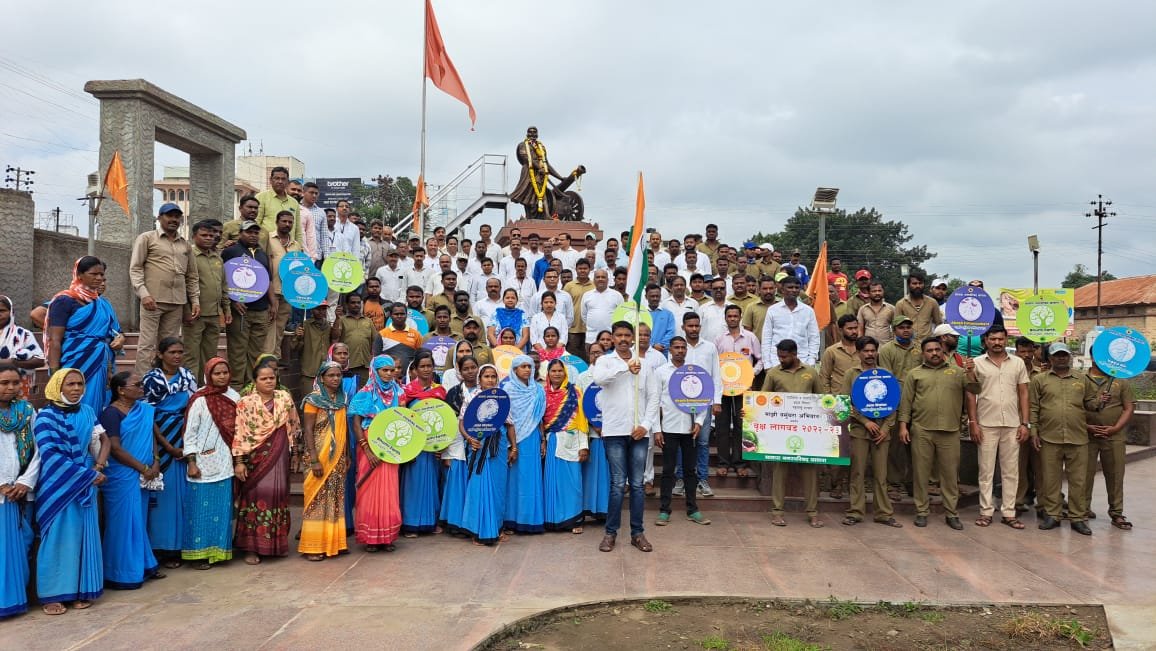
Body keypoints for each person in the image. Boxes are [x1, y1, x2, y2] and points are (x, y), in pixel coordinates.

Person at [34, 369, 110, 615]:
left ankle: (80, 590)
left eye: (80, 384)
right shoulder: (45, 417)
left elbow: (102, 440)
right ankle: (52, 595)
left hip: (87, 482)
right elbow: (50, 455)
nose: (76, 389)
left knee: (82, 537)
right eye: (70, 384)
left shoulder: (87, 411)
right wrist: (88, 474)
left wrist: (97, 466)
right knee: (56, 538)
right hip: (58, 484)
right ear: (58, 387)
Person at [898, 337, 980, 530]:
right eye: (929, 350)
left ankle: (951, 513)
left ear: (943, 351)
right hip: (921, 430)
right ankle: (921, 511)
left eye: (937, 349)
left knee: (950, 475)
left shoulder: (958, 372)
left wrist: (971, 373)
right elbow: (906, 403)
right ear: (923, 353)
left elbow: (975, 390)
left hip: (950, 431)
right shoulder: (914, 374)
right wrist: (903, 426)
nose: (934, 353)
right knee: (921, 473)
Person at [593, 321, 660, 553]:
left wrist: (646, 425)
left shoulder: (647, 364)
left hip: (638, 432)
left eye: (626, 335)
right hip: (613, 432)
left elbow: (654, 397)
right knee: (618, 484)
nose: (622, 339)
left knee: (638, 485)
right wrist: (626, 368)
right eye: (618, 335)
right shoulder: (604, 361)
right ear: (612, 338)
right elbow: (600, 380)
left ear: (633, 338)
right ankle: (610, 534)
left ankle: (637, 533)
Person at [232, 364, 301, 564]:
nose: (269, 381)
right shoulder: (245, 403)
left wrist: (295, 453)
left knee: (277, 495)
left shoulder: (284, 398)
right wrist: (239, 462)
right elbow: (241, 433)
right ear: (255, 381)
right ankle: (251, 548)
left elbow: (294, 425)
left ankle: (275, 545)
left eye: (272, 377)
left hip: (279, 455)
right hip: (255, 459)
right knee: (255, 498)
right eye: (264, 378)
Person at [101, 371, 163, 588]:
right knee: (124, 523)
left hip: (144, 475)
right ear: (120, 390)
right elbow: (115, 449)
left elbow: (152, 438)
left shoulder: (144, 410)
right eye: (136, 385)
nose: (141, 387)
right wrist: (143, 468)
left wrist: (155, 461)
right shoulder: (111, 414)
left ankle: (143, 565)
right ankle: (120, 573)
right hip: (122, 476)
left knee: (139, 520)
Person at [140, 337, 197, 568]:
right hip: (159, 438)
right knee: (163, 499)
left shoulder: (188, 377)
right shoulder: (151, 380)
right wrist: (167, 445)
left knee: (181, 496)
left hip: (183, 436)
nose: (177, 356)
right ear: (161, 354)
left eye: (180, 352)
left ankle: (180, 547)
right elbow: (147, 414)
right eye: (172, 352)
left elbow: (193, 408)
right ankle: (161, 548)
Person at [966, 325, 1030, 530]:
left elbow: (1023, 394)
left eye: (1000, 339)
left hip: (1012, 424)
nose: (997, 343)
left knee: (1011, 471)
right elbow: (970, 394)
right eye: (992, 339)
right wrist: (972, 423)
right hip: (985, 424)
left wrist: (1025, 423)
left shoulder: (1018, 363)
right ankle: (986, 511)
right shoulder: (975, 364)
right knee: (986, 471)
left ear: (1006, 340)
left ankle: (1009, 513)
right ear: (986, 341)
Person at [130, 202, 200, 375]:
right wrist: (143, 294)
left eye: (177, 216)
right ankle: (143, 384)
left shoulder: (185, 245)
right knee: (147, 344)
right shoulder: (147, 238)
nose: (173, 219)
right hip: (152, 301)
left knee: (170, 345)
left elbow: (191, 276)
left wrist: (195, 300)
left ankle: (166, 382)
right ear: (159, 218)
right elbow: (136, 268)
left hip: (177, 302)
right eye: (169, 216)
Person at [46, 257, 124, 415]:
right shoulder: (64, 300)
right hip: (74, 360)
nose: (99, 278)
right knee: (70, 403)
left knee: (97, 405)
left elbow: (115, 331)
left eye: (102, 275)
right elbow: (54, 340)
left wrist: (120, 339)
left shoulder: (103, 304)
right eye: (94, 274)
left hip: (101, 361)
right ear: (79, 275)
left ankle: (94, 436)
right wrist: (55, 373)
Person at [1029, 343, 1092, 535]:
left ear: (1070, 357)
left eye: (1064, 355)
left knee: (1078, 481)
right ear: (1050, 359)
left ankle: (1078, 518)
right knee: (1050, 479)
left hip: (1078, 437)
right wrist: (1034, 432)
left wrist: (1100, 402)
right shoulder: (1040, 380)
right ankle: (1052, 515)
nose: (1061, 358)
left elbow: (1090, 404)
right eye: (1057, 355)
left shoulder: (1082, 380)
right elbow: (1033, 408)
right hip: (1050, 437)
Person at [181, 357, 237, 569]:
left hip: (225, 464)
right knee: (200, 511)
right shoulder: (199, 399)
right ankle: (198, 555)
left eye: (225, 372)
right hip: (203, 464)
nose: (222, 376)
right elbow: (190, 433)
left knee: (222, 511)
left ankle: (219, 553)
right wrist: (192, 462)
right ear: (208, 375)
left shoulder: (234, 396)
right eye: (217, 373)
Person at [840, 337, 902, 527]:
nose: (869, 354)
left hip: (882, 433)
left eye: (872, 350)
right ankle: (856, 511)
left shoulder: (885, 374)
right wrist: (865, 422)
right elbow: (845, 403)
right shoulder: (852, 374)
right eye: (865, 351)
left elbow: (894, 404)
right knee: (857, 473)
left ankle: (883, 513)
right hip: (859, 431)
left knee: (881, 475)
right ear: (859, 353)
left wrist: (885, 428)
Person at [762, 340, 824, 528]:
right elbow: (762, 400)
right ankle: (777, 512)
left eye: (785, 356)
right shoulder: (773, 373)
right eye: (779, 356)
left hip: (807, 431)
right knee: (779, 471)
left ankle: (813, 513)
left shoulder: (811, 372)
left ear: (795, 354)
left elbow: (822, 400)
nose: (781, 359)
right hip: (782, 432)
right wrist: (749, 411)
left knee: (810, 472)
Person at [654, 337, 711, 526]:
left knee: (689, 470)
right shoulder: (661, 372)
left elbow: (703, 399)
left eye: (682, 348)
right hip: (668, 428)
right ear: (670, 350)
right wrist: (656, 429)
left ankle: (692, 509)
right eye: (676, 347)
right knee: (668, 470)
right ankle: (664, 510)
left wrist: (700, 422)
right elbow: (654, 402)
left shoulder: (694, 371)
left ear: (686, 350)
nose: (680, 351)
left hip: (690, 428)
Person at [350, 355, 404, 552]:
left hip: (390, 446)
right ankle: (370, 537)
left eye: (392, 370)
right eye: (385, 370)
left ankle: (387, 536)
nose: (389, 374)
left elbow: (403, 420)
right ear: (375, 371)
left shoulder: (399, 393)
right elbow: (356, 423)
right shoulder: (364, 394)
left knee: (389, 490)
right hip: (369, 446)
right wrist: (366, 449)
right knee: (369, 489)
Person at [460, 364, 517, 545]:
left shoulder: (502, 399)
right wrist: (470, 439)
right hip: (478, 446)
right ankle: (478, 530)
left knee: (498, 488)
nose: (490, 380)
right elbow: (462, 423)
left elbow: (510, 424)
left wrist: (513, 447)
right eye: (486, 376)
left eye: (493, 376)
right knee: (479, 486)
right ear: (480, 379)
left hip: (498, 447)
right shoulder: (472, 398)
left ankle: (496, 527)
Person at [299, 361, 350, 561]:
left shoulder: (343, 398)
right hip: (318, 456)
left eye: (338, 375)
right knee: (316, 500)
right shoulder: (313, 399)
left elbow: (343, 429)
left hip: (337, 457)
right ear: (321, 378)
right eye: (331, 375)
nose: (336, 379)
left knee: (335, 499)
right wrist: (313, 458)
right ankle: (313, 547)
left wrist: (347, 455)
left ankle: (335, 543)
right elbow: (308, 430)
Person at [0, 363, 38, 618]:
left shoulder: (27, 411)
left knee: (23, 543)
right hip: (1, 493)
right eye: (4, 383)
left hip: (23, 490)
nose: (11, 388)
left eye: (15, 382)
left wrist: (25, 481)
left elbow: (39, 450)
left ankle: (16, 598)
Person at [1084, 358, 1135, 531]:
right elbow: (1074, 406)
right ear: (1092, 357)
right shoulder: (1080, 379)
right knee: (1084, 474)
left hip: (1114, 437)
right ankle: (1082, 509)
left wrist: (1115, 428)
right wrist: (1087, 426)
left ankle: (1116, 512)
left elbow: (1129, 408)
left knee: (1115, 475)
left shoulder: (1120, 380)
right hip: (1086, 436)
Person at [673, 312, 721, 497]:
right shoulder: (678, 347)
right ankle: (681, 478)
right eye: (690, 326)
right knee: (681, 441)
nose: (693, 329)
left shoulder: (709, 347)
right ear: (683, 327)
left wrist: (716, 401)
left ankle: (702, 479)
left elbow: (716, 375)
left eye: (696, 326)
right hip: (680, 402)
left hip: (704, 403)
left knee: (702, 442)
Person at [400, 351, 447, 536]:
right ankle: (410, 524)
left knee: (432, 482)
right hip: (413, 446)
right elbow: (402, 418)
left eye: (429, 366)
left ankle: (431, 522)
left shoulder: (439, 391)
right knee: (413, 484)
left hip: (433, 445)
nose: (426, 369)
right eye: (423, 366)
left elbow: (446, 419)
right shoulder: (406, 392)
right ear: (415, 369)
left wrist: (442, 444)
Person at [222, 221, 272, 390]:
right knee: (237, 353)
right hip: (241, 311)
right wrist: (232, 301)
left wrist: (273, 303)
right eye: (249, 232)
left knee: (256, 354)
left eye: (256, 232)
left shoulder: (262, 254)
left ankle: (252, 388)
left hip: (261, 310)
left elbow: (268, 280)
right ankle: (236, 389)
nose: (253, 235)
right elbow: (223, 280)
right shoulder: (230, 251)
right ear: (240, 233)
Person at [542, 358, 589, 533]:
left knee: (572, 482)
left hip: (572, 442)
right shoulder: (543, 393)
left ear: (566, 373)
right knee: (553, 483)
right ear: (548, 373)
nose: (557, 374)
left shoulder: (575, 392)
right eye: (553, 371)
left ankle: (575, 520)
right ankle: (554, 519)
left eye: (560, 371)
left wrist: (584, 445)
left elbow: (582, 419)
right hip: (552, 441)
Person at [714, 304, 762, 477]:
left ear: (740, 317)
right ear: (725, 318)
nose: (733, 318)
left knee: (742, 425)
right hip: (723, 389)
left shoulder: (750, 338)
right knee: (722, 426)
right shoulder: (719, 339)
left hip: (744, 389)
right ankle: (723, 463)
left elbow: (760, 360)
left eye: (735, 316)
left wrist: (750, 376)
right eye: (730, 316)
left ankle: (740, 463)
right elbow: (714, 364)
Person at [502, 355, 547, 534]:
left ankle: (531, 520)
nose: (527, 370)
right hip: (513, 439)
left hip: (532, 438)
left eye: (529, 366)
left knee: (531, 478)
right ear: (514, 370)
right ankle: (511, 520)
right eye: (523, 367)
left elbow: (539, 418)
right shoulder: (507, 389)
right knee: (514, 480)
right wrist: (512, 445)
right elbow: (507, 419)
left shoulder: (538, 390)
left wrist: (543, 440)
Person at [183, 220, 228, 381]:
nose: (209, 238)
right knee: (191, 356)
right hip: (195, 315)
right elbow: (185, 284)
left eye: (211, 235)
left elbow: (223, 285)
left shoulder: (217, 257)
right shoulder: (189, 256)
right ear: (194, 236)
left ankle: (207, 389)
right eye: (204, 235)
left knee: (210, 357)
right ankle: (191, 391)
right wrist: (187, 310)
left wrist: (226, 309)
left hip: (214, 314)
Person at [441, 355, 479, 535]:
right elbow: (448, 422)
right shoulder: (454, 393)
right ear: (460, 372)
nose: (470, 371)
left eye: (473, 367)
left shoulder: (484, 391)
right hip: (456, 440)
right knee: (457, 479)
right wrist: (446, 452)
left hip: (478, 441)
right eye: (466, 369)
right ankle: (456, 522)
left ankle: (472, 520)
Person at [760, 275, 820, 371]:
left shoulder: (808, 311)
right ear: (782, 290)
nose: (794, 290)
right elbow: (767, 338)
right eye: (790, 287)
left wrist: (811, 361)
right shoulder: (773, 310)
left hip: (802, 361)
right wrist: (767, 364)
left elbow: (814, 337)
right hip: (776, 362)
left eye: (797, 288)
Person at [265, 210, 303, 356]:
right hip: (270, 290)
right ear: (277, 222)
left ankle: (275, 357)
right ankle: (267, 358)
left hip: (288, 292)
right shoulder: (268, 239)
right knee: (269, 325)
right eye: (284, 221)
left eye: (290, 222)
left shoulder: (296, 245)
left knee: (280, 327)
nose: (287, 224)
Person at [331, 293, 376, 385]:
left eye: (358, 302)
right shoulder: (342, 320)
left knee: (363, 393)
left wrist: (372, 356)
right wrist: (337, 318)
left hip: (365, 366)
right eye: (353, 302)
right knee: (348, 393)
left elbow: (374, 341)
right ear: (347, 305)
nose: (356, 305)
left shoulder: (368, 321)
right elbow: (334, 337)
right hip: (347, 366)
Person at [255, 166, 302, 243]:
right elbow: (255, 223)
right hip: (267, 245)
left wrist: (299, 248)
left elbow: (298, 230)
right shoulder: (261, 197)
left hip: (289, 248)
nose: (280, 181)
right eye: (277, 178)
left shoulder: (294, 202)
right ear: (270, 180)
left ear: (287, 182)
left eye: (283, 179)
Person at [581, 270, 623, 353]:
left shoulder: (617, 295)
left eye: (603, 277)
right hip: (591, 338)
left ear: (608, 280)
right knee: (593, 363)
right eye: (598, 277)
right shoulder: (587, 295)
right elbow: (584, 316)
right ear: (594, 280)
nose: (600, 279)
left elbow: (621, 316)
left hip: (611, 338)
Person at [895, 272, 944, 342]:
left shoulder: (932, 302)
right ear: (909, 285)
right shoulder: (901, 304)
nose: (918, 286)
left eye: (920, 283)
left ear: (924, 285)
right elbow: (897, 326)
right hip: (908, 344)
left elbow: (939, 324)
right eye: (914, 283)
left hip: (927, 344)